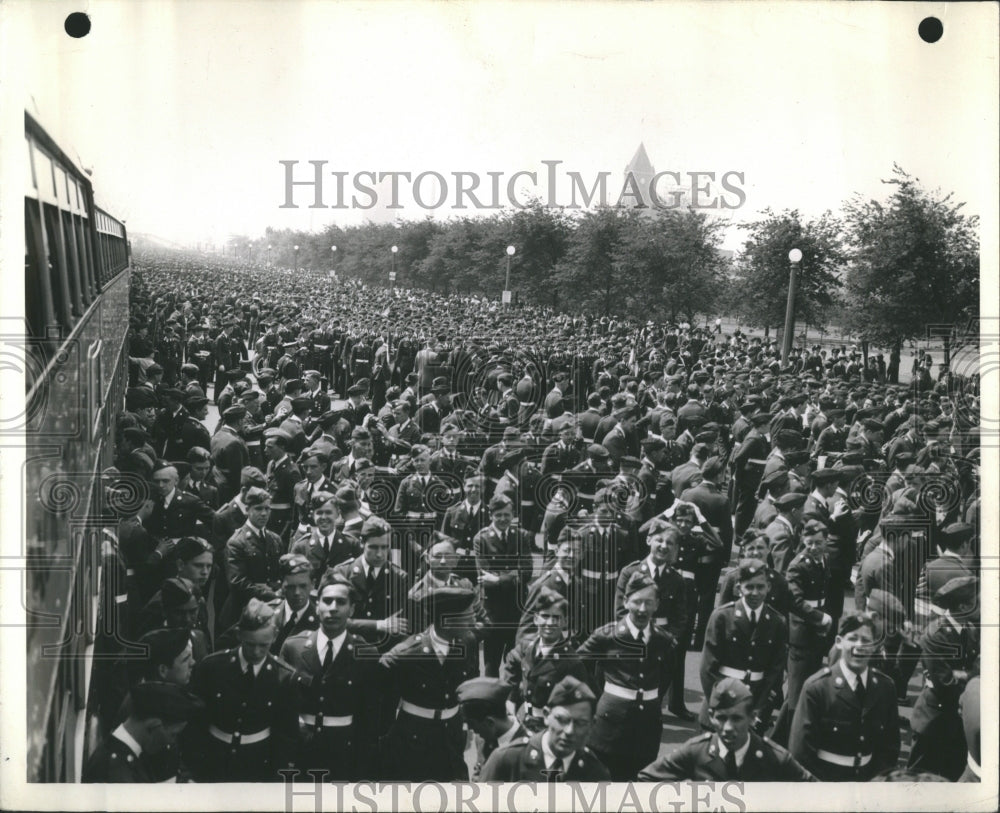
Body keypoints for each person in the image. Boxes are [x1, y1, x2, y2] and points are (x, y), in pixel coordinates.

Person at [280, 572, 381, 780]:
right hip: (301, 751)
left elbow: (372, 716)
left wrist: (363, 765)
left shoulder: (366, 654)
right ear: (317, 606)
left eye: (341, 602)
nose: (333, 608)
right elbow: (280, 702)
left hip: (345, 751)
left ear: (352, 609)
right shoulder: (294, 647)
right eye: (327, 601)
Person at [186, 599, 298, 782]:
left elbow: (286, 736)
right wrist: (193, 768)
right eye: (250, 644)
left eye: (263, 645)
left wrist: (277, 779)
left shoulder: (284, 677)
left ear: (275, 636)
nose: (256, 652)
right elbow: (196, 722)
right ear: (239, 635)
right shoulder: (212, 667)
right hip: (213, 762)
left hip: (257, 765)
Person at [577, 571, 673, 780]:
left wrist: (653, 699)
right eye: (637, 602)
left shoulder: (663, 640)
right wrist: (596, 696)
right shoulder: (607, 636)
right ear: (625, 601)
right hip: (609, 724)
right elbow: (577, 664)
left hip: (647, 724)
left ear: (657, 605)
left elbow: (666, 674)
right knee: (603, 782)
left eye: (649, 602)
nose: (642, 609)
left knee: (638, 781)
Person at [378, 587, 481, 781]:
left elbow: (470, 687)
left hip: (452, 733)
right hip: (412, 739)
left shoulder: (468, 642)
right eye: (468, 616)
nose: (473, 621)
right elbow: (380, 698)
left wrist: (466, 725)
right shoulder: (407, 653)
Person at [788, 613, 901, 781]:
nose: (859, 646)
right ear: (839, 642)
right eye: (853, 638)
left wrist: (876, 783)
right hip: (825, 784)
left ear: (875, 646)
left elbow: (889, 748)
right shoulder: (817, 688)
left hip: (867, 785)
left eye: (866, 640)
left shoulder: (885, 688)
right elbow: (800, 754)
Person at [638, 678, 814, 781]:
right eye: (721, 718)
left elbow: (818, 793)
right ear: (711, 716)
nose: (728, 728)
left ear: (752, 718)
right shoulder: (696, 752)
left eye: (737, 718)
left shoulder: (774, 758)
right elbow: (645, 780)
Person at [699, 559, 788, 733]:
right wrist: (720, 705)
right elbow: (707, 669)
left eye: (760, 587)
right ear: (739, 588)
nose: (755, 593)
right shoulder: (722, 617)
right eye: (749, 587)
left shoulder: (777, 622)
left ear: (768, 587)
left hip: (755, 703)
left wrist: (759, 708)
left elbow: (775, 672)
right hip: (721, 700)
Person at [908, 575, 980, 781]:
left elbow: (976, 669)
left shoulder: (970, 630)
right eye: (977, 600)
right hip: (934, 721)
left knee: (952, 780)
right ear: (964, 605)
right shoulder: (936, 634)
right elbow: (945, 683)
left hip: (957, 724)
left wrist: (965, 675)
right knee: (918, 781)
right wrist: (971, 678)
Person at [479, 675, 611, 781]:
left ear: (591, 725)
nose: (569, 731)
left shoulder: (595, 773)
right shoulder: (506, 761)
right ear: (547, 716)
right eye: (561, 720)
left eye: (580, 723)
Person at [501, 588, 591, 733]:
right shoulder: (527, 646)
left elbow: (581, 705)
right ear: (536, 619)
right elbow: (512, 660)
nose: (549, 623)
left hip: (550, 728)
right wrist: (510, 698)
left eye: (556, 618)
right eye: (544, 616)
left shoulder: (571, 662)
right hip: (522, 718)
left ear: (565, 622)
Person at [83, 682, 204, 783]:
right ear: (154, 726)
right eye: (173, 734)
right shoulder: (117, 773)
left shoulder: (119, 751)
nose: (171, 741)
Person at [474, 494, 534, 676]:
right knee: (491, 664)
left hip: (517, 609)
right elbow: (484, 576)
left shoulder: (521, 536)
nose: (503, 519)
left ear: (513, 515)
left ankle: (511, 703)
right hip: (493, 611)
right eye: (498, 515)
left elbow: (527, 571)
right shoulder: (481, 539)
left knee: (515, 663)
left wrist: (499, 579)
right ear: (491, 515)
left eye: (507, 515)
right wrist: (513, 576)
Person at [331, 515, 411, 650]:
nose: (380, 554)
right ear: (362, 543)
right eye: (373, 547)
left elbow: (398, 625)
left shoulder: (399, 578)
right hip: (345, 648)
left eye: (385, 547)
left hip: (381, 651)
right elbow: (336, 620)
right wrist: (379, 625)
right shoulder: (343, 573)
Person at [457, 677, 529, 781]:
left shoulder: (527, 747)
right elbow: (479, 775)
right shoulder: (483, 739)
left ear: (490, 722)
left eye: (472, 725)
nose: (472, 730)